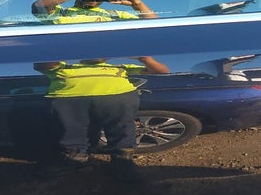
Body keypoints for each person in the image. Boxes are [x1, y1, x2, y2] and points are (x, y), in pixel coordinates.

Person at [35, 56, 170, 179]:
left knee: (122, 128)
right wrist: (59, 52)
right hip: (69, 99)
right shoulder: (63, 66)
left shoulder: (120, 67)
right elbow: (43, 65)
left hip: (118, 97)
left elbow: (162, 71)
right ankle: (75, 158)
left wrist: (145, 59)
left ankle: (123, 162)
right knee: (70, 129)